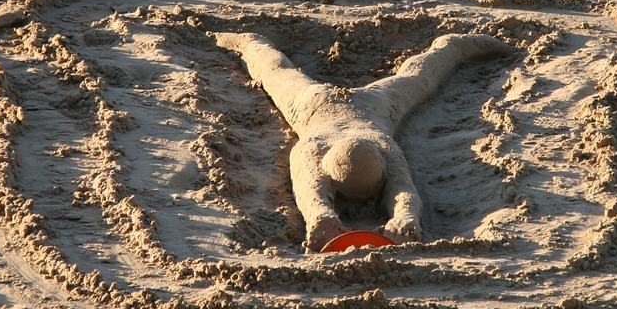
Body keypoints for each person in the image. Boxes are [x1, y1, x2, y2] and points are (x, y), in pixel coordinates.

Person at [215, 32, 511, 250]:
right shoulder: (311, 150)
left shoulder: (382, 147)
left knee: (420, 77)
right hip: (313, 106)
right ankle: (249, 42)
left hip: (369, 106)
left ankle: (455, 46)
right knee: (275, 72)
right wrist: (321, 220)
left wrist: (406, 219)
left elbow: (406, 194)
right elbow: (312, 198)